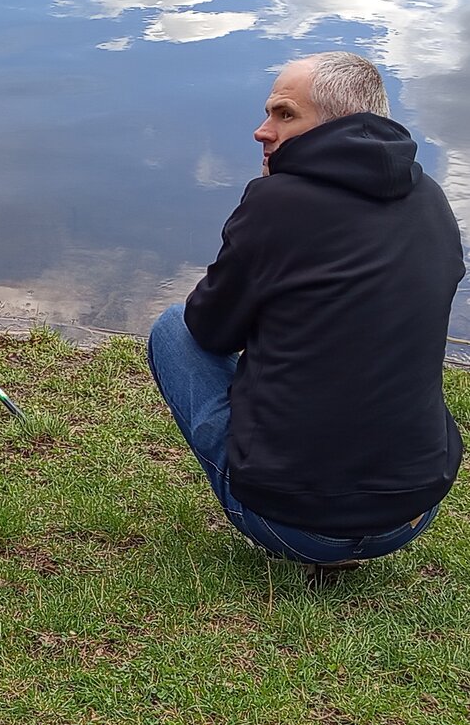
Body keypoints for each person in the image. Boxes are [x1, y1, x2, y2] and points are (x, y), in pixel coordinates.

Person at [147, 52, 465, 566]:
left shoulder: (275, 202)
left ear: (341, 125)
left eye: (284, 114)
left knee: (171, 328)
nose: (261, 130)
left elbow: (209, 330)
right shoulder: (430, 198)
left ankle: (300, 514)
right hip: (412, 510)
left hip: (293, 526)